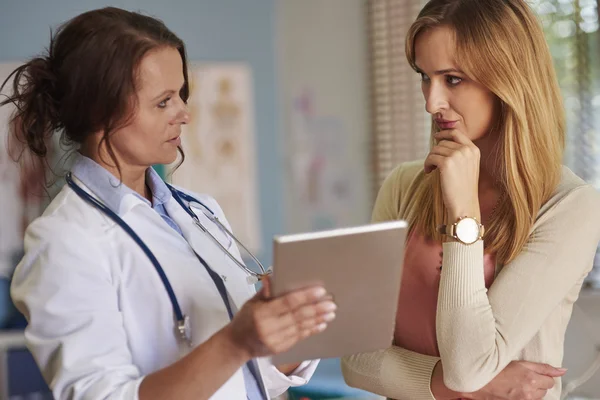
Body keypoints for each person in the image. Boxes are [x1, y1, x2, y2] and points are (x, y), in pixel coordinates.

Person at [2, 7, 337, 400]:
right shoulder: (63, 241)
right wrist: (236, 342)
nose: (184, 114)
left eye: (180, 94)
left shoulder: (202, 212)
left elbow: (248, 378)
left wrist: (283, 330)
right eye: (163, 102)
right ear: (99, 111)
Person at [341, 0, 600, 399]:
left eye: (453, 79)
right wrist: (462, 385)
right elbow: (355, 358)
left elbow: (467, 368)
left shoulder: (571, 207)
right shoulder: (405, 186)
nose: (432, 102)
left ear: (509, 80)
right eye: (424, 77)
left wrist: (463, 214)